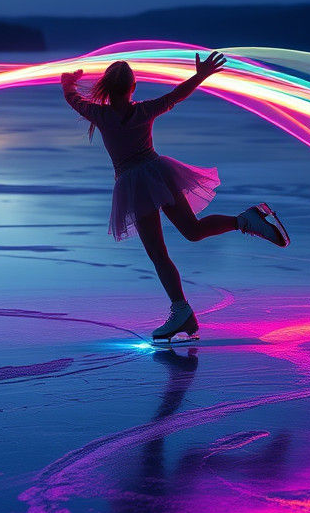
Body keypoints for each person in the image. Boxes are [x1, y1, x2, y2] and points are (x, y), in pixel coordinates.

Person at [60, 52, 289, 341]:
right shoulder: (143, 110)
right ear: (133, 87)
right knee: (192, 231)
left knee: (159, 254)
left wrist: (68, 81)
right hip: (157, 173)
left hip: (134, 183)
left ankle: (182, 311)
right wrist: (201, 75)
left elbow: (73, 100)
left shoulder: (100, 115)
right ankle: (244, 221)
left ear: (107, 88)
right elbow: (176, 96)